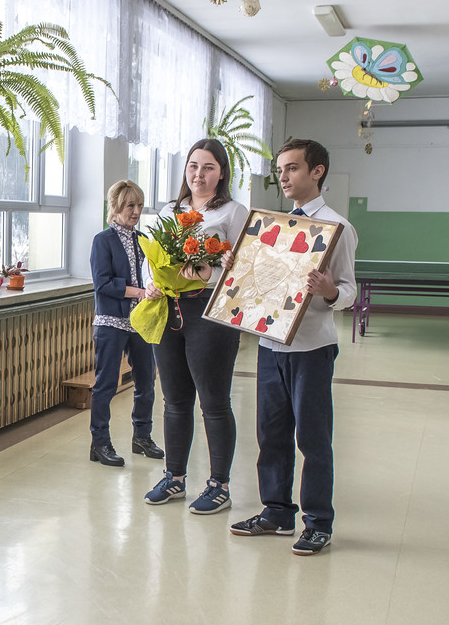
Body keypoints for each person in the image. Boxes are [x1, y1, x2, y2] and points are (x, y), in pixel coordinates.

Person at [230, 137, 358, 555]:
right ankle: (277, 512)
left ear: (317, 171)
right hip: (271, 344)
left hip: (311, 349)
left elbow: (349, 291)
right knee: (271, 434)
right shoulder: (275, 227)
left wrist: (329, 291)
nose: (283, 177)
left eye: (292, 168)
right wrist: (238, 270)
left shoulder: (337, 228)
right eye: (280, 169)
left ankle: (318, 522)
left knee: (313, 439)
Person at [143, 138, 249, 514]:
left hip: (210, 310)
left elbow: (245, 269)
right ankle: (174, 477)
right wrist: (151, 282)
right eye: (193, 166)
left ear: (222, 173)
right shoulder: (170, 211)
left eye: (208, 167)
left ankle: (219, 485)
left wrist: (211, 271)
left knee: (214, 402)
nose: (198, 174)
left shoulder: (234, 212)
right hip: (169, 307)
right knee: (174, 400)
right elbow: (151, 256)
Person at [88, 179, 162, 467]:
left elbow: (152, 275)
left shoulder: (143, 240)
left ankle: (142, 437)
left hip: (140, 322)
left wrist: (154, 288)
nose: (136, 211)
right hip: (111, 322)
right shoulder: (102, 240)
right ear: (116, 206)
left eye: (139, 205)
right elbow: (103, 284)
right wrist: (140, 292)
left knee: (146, 382)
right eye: (130, 205)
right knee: (106, 384)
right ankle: (100, 443)